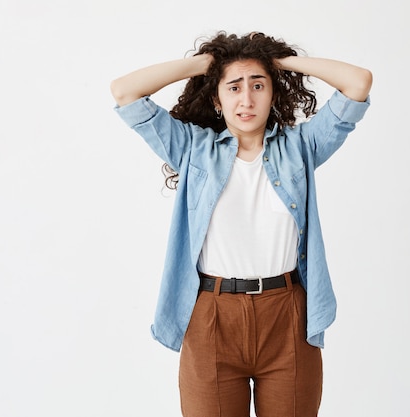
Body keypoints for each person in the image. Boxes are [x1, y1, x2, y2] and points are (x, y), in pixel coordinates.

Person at [110, 31, 372, 417]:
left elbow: (358, 83)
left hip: (288, 316)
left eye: (258, 86)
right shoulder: (192, 149)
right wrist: (205, 65)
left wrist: (278, 61)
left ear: (273, 94)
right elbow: (124, 92)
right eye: (233, 87)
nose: (246, 99)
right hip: (212, 316)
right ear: (218, 99)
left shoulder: (300, 148)